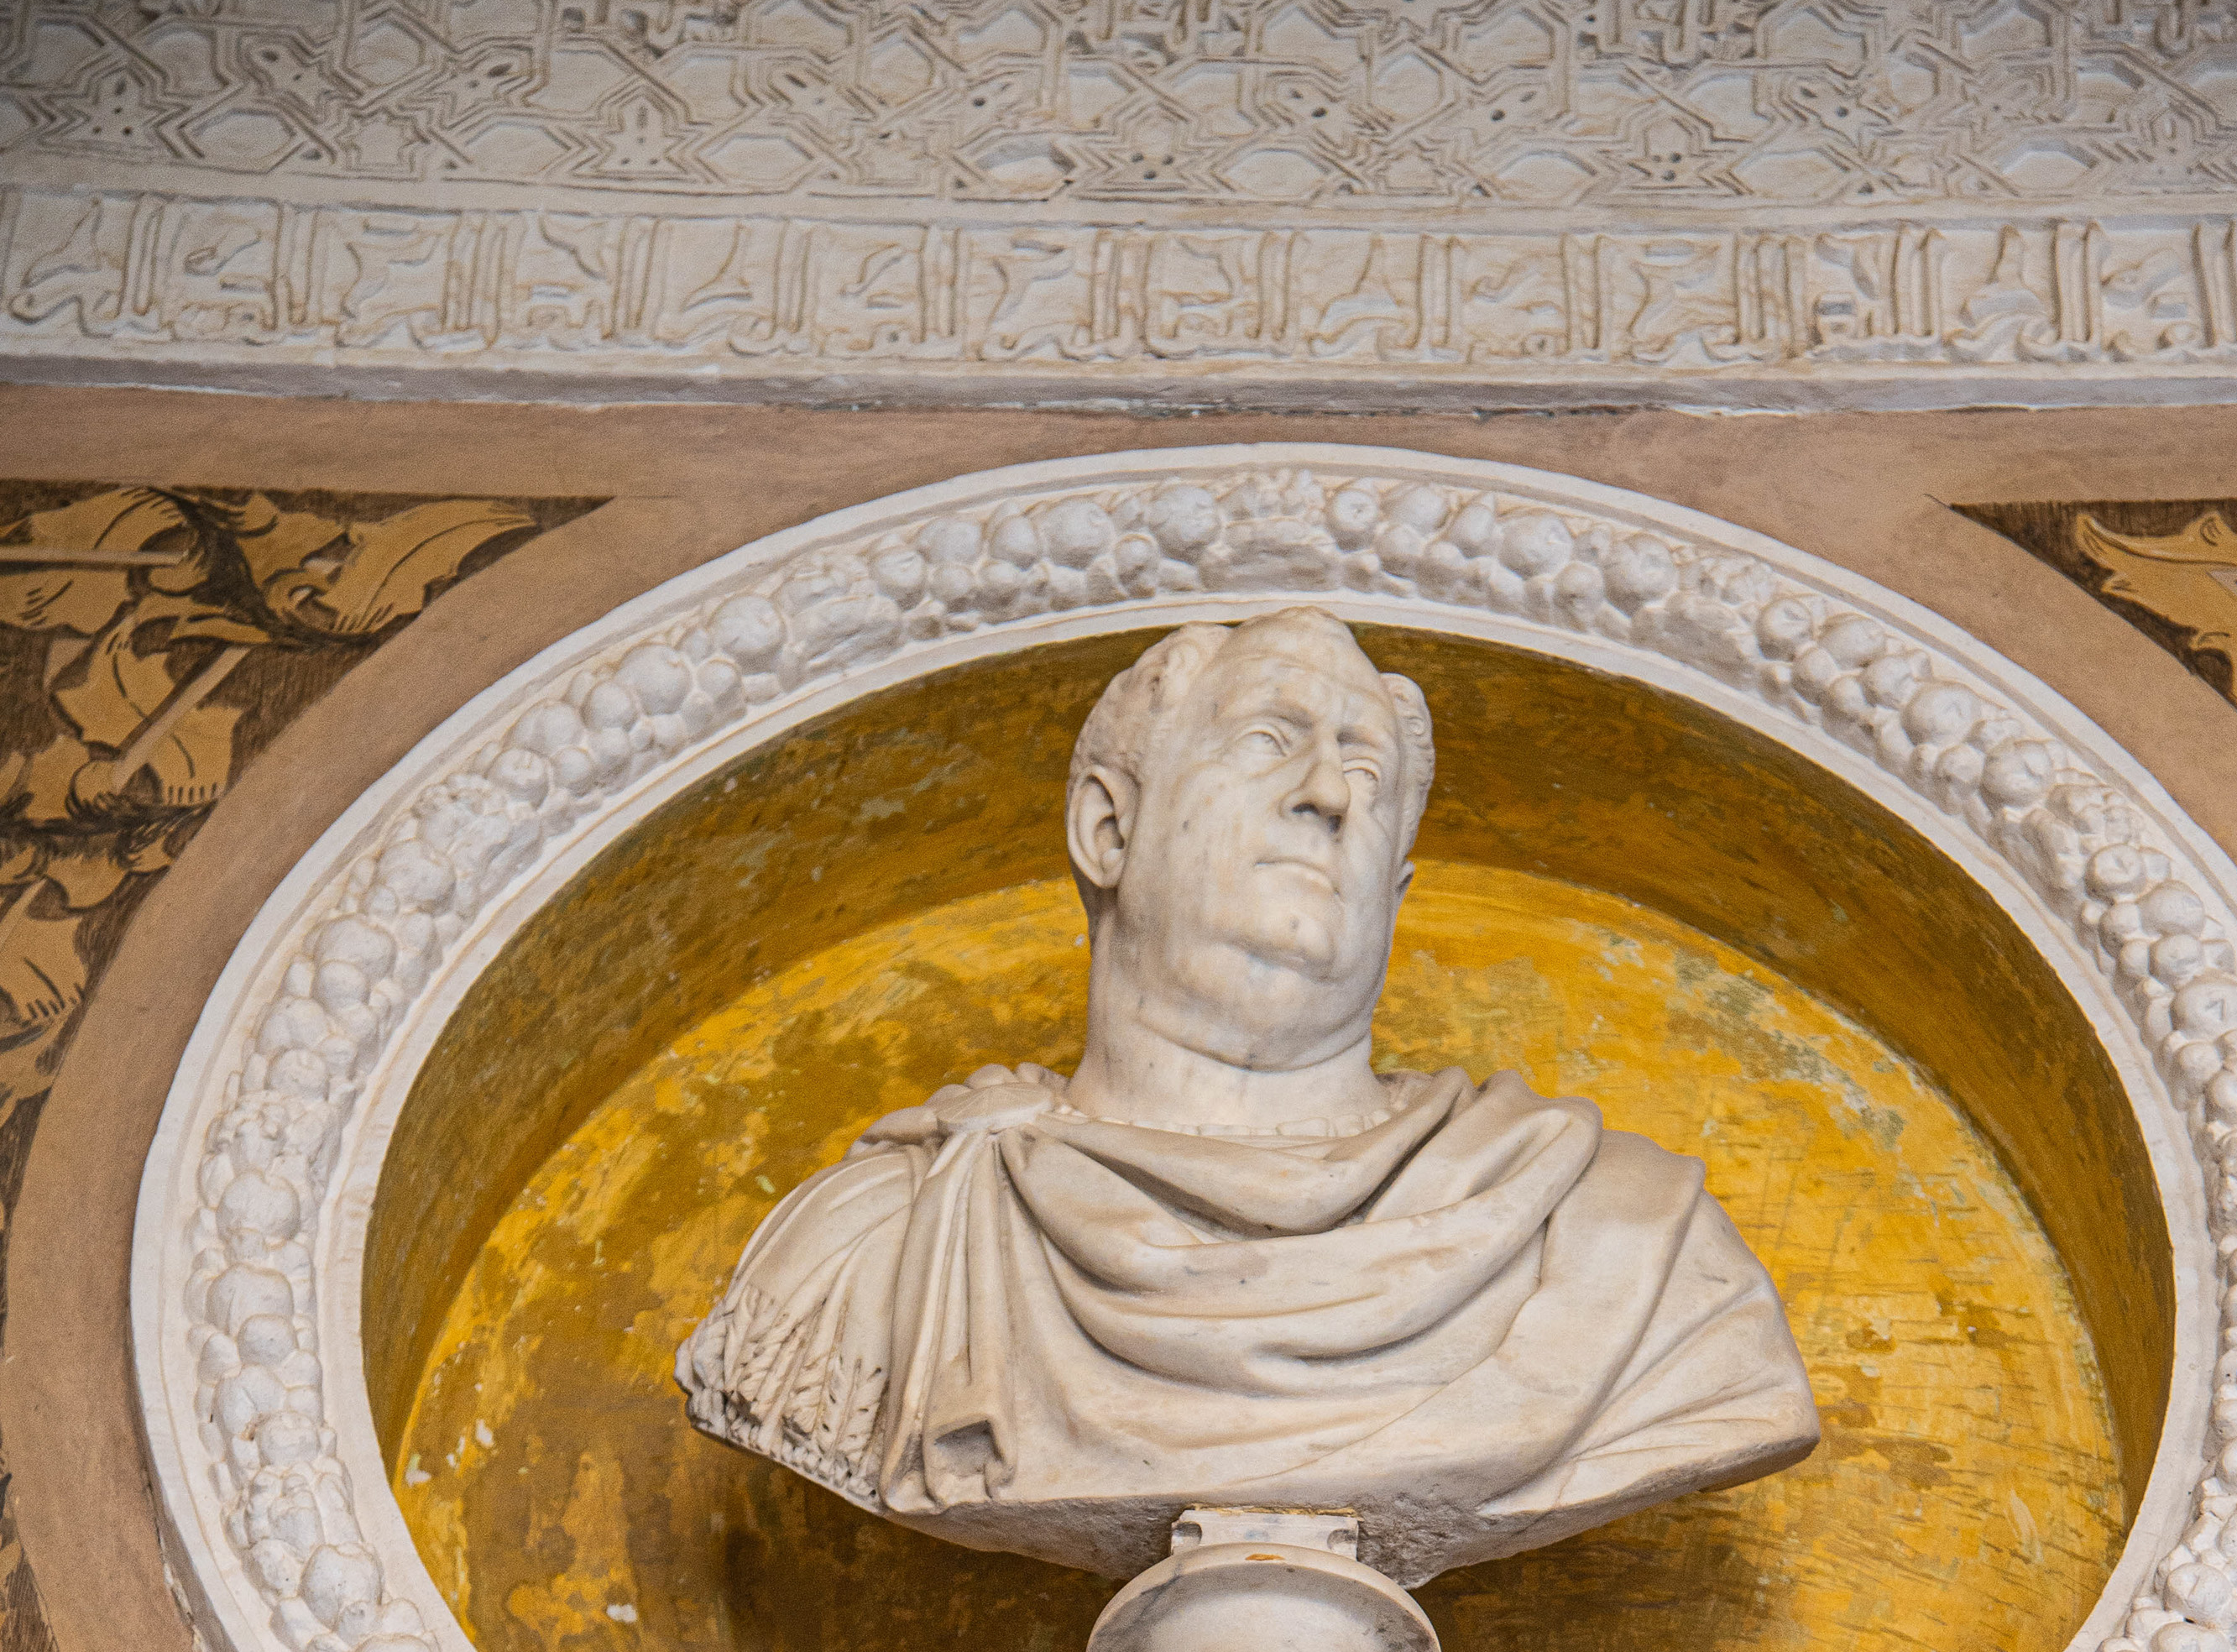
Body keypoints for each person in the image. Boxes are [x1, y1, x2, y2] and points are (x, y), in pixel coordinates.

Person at [679, 609, 1817, 1588]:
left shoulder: (1625, 1239)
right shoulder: (879, 1244)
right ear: (1107, 829)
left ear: (1398, 885)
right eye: (1269, 743)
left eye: (1364, 775)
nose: (1326, 795)